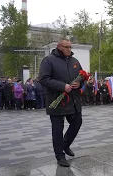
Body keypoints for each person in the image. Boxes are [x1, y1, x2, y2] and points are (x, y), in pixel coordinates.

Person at [39, 38, 84, 167]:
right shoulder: (48, 60)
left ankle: (65, 144)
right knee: (58, 129)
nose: (69, 49)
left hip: (73, 100)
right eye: (66, 47)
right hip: (56, 100)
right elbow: (43, 79)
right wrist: (62, 86)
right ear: (59, 47)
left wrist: (79, 83)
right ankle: (60, 156)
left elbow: (82, 77)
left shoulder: (74, 61)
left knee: (77, 122)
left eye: (70, 47)